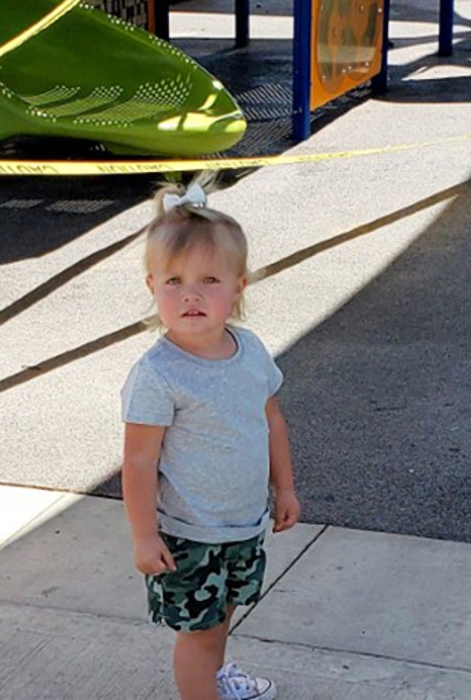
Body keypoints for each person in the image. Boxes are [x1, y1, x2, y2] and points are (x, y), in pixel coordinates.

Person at [122, 180, 299, 700]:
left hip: (242, 525)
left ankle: (214, 684)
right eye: (173, 281)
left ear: (239, 286)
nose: (190, 294)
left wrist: (283, 489)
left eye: (209, 280)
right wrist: (144, 535)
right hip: (186, 536)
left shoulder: (249, 351)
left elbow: (272, 421)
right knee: (198, 635)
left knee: (220, 617)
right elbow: (137, 462)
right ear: (151, 286)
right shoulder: (158, 374)